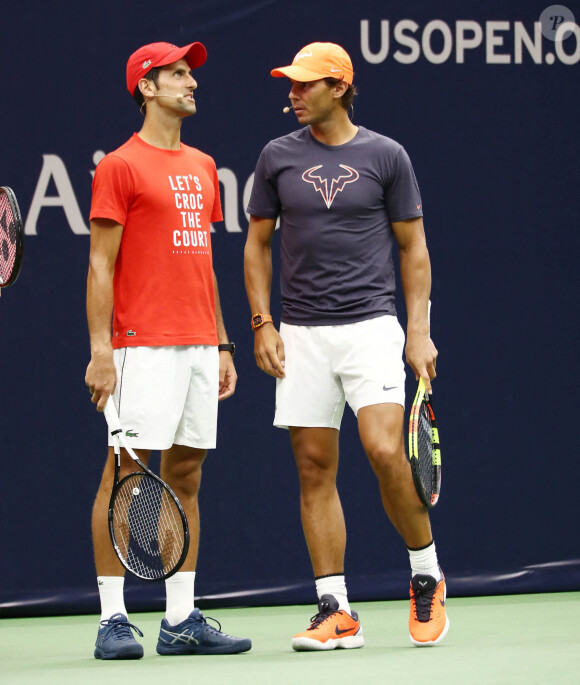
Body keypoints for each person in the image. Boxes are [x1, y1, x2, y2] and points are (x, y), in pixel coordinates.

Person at [244, 42, 448, 650]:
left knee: (386, 451)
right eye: (290, 84)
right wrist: (262, 323)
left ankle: (425, 573)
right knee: (313, 469)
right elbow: (256, 245)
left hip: (371, 328)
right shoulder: (276, 157)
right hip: (300, 334)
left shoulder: (386, 155)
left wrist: (419, 330)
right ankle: (335, 608)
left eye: (305, 85)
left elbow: (414, 248)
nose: (293, 93)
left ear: (339, 86)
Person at [85, 41, 251, 660]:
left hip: (198, 347)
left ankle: (180, 618)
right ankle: (112, 619)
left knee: (186, 475)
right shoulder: (120, 167)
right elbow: (101, 267)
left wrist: (223, 341)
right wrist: (101, 349)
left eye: (190, 73)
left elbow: (202, 264)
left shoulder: (204, 166)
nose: (191, 82)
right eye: (177, 74)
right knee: (126, 474)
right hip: (138, 346)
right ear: (146, 88)